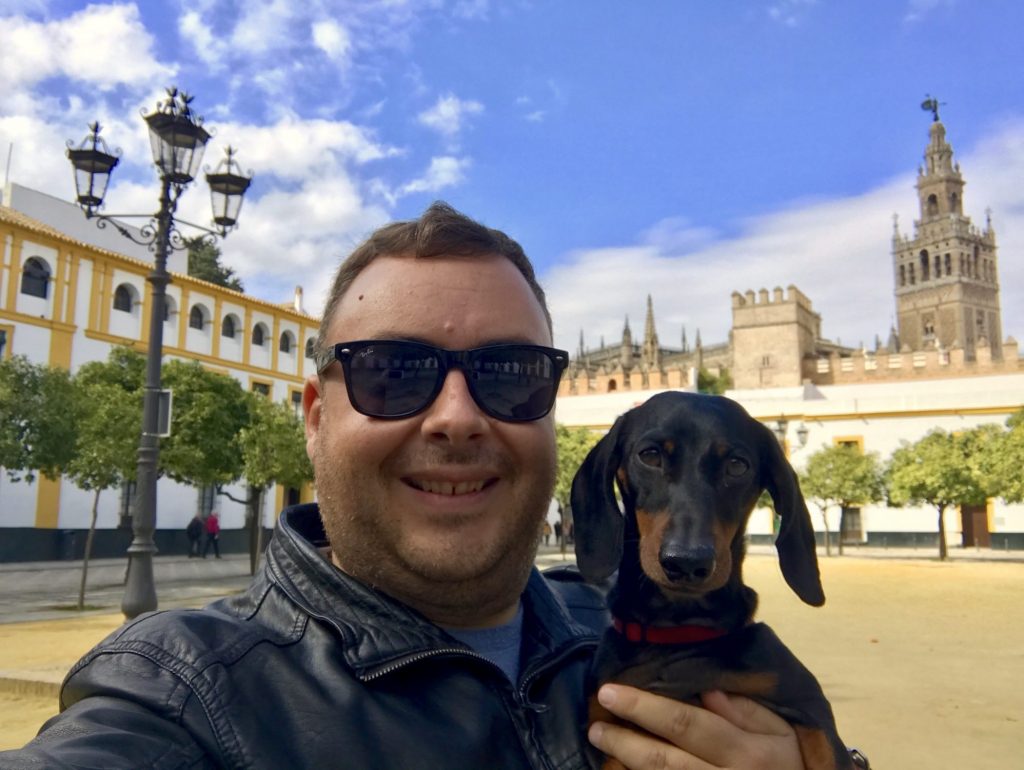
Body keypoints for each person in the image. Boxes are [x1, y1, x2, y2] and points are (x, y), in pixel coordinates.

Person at [2, 203, 823, 769]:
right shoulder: (188, 693)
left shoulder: (604, 622)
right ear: (317, 417)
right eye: (394, 373)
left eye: (508, 374)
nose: (457, 418)